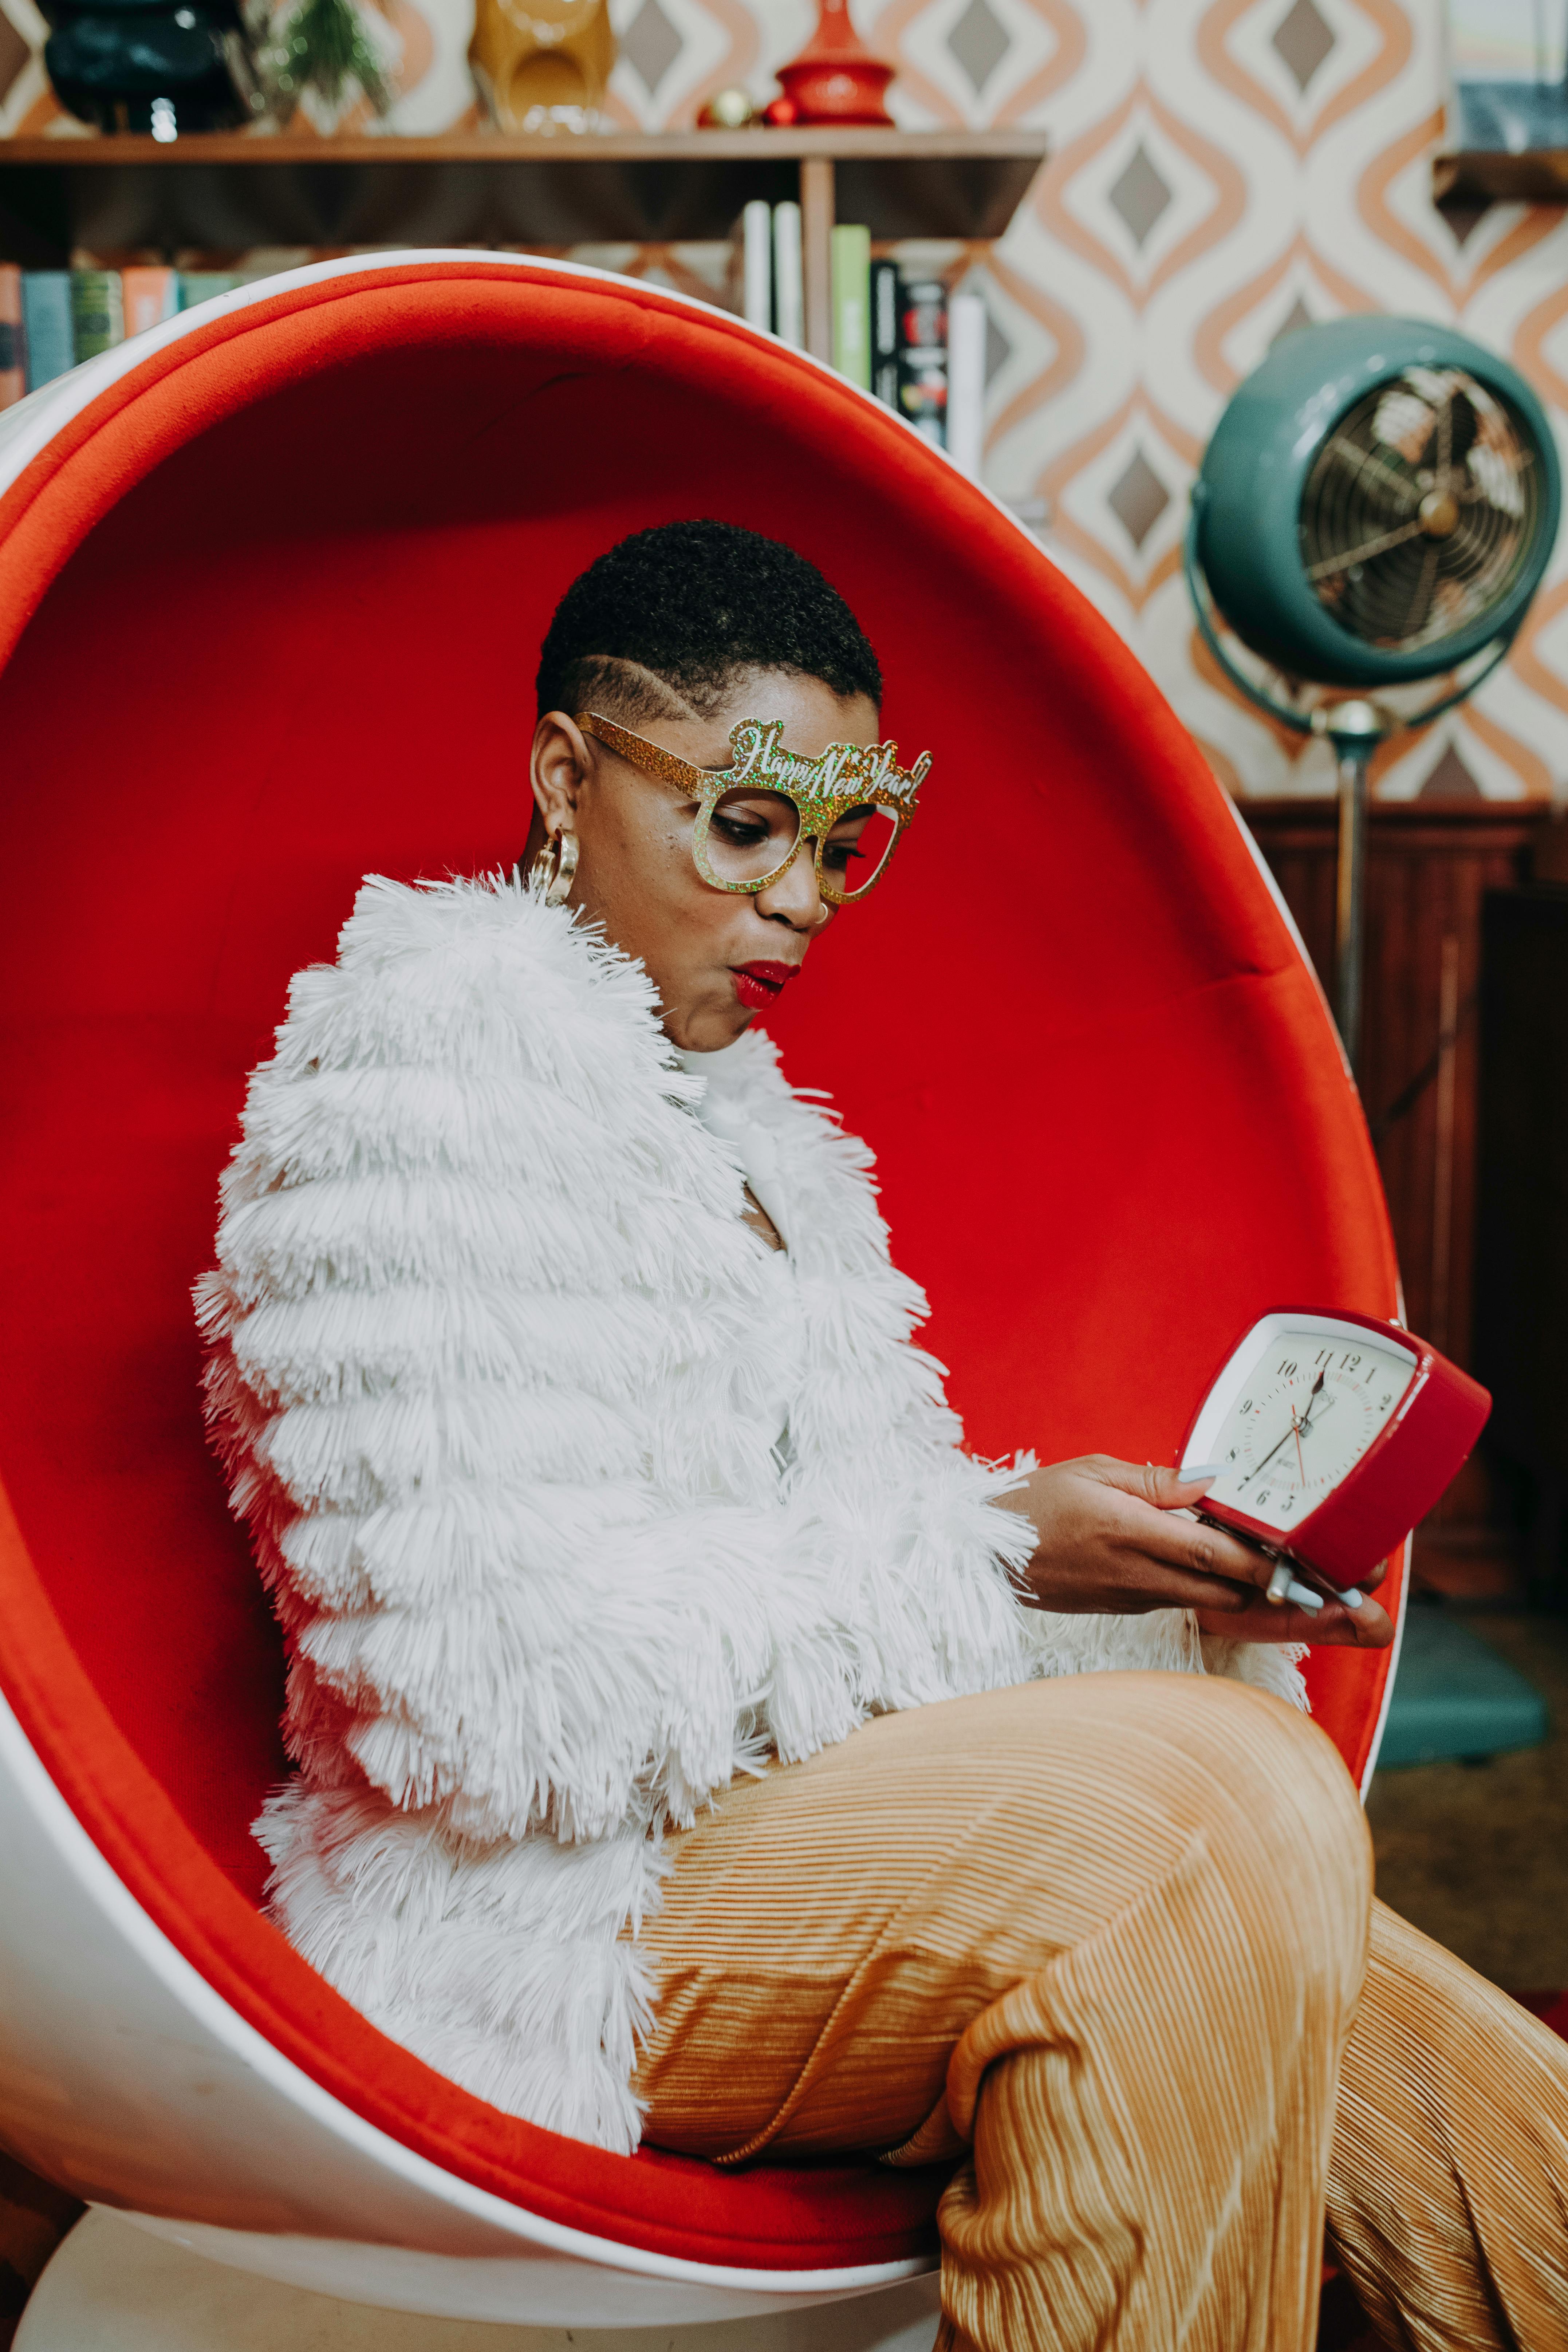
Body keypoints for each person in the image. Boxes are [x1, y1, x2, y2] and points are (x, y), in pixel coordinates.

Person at [200, 520, 1568, 2352]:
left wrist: (1145, 1590)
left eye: (844, 846)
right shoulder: (425, 1066)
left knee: (1372, 1989)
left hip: (760, 1838)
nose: (803, 900)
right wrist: (997, 1542)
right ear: (564, 773)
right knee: (1208, 1831)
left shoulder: (748, 1122)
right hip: (541, 1924)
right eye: (747, 825)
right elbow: (484, 1695)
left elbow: (845, 1604)